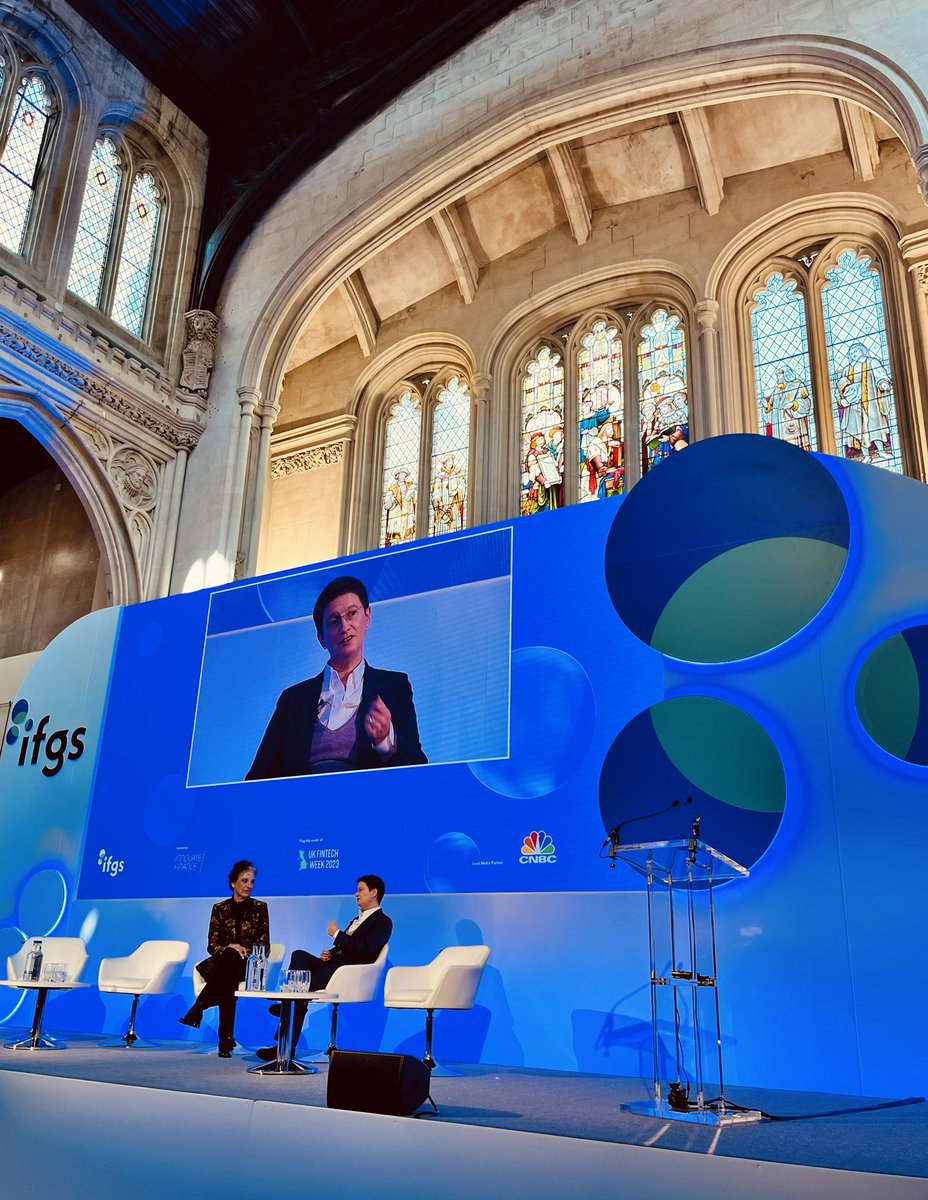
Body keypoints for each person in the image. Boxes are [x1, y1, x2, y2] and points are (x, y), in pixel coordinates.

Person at [246, 575, 427, 779]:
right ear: (321, 638)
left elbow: (418, 766)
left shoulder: (394, 687)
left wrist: (386, 739)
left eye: (352, 614)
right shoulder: (293, 700)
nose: (344, 627)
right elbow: (257, 777)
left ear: (367, 616)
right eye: (334, 621)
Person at [256, 874, 392, 1062]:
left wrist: (337, 934)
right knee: (299, 955)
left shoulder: (383, 921)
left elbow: (366, 950)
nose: (356, 894)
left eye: (360, 890)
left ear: (374, 892)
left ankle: (286, 1027)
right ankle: (290, 1006)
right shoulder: (356, 919)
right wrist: (330, 952)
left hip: (348, 972)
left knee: (297, 996)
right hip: (335, 965)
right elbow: (346, 946)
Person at [179, 860, 269, 1057]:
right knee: (228, 968)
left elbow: (264, 945)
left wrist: (242, 950)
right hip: (224, 963)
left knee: (230, 963)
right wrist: (230, 948)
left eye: (252, 882)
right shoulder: (219, 909)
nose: (249, 886)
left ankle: (199, 1007)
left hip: (248, 963)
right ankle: (225, 1040)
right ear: (233, 883)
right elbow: (212, 946)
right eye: (244, 881)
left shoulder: (260, 908)